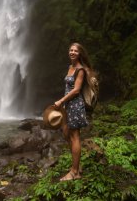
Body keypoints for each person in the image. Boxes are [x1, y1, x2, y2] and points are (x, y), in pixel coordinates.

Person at [54, 42, 95, 181]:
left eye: (75, 51)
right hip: (68, 106)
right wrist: (64, 104)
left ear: (80, 53)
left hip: (76, 105)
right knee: (66, 133)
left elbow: (76, 90)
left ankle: (75, 172)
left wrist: (61, 101)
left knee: (75, 136)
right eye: (70, 50)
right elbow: (67, 87)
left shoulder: (80, 70)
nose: (72, 52)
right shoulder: (70, 67)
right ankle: (77, 164)